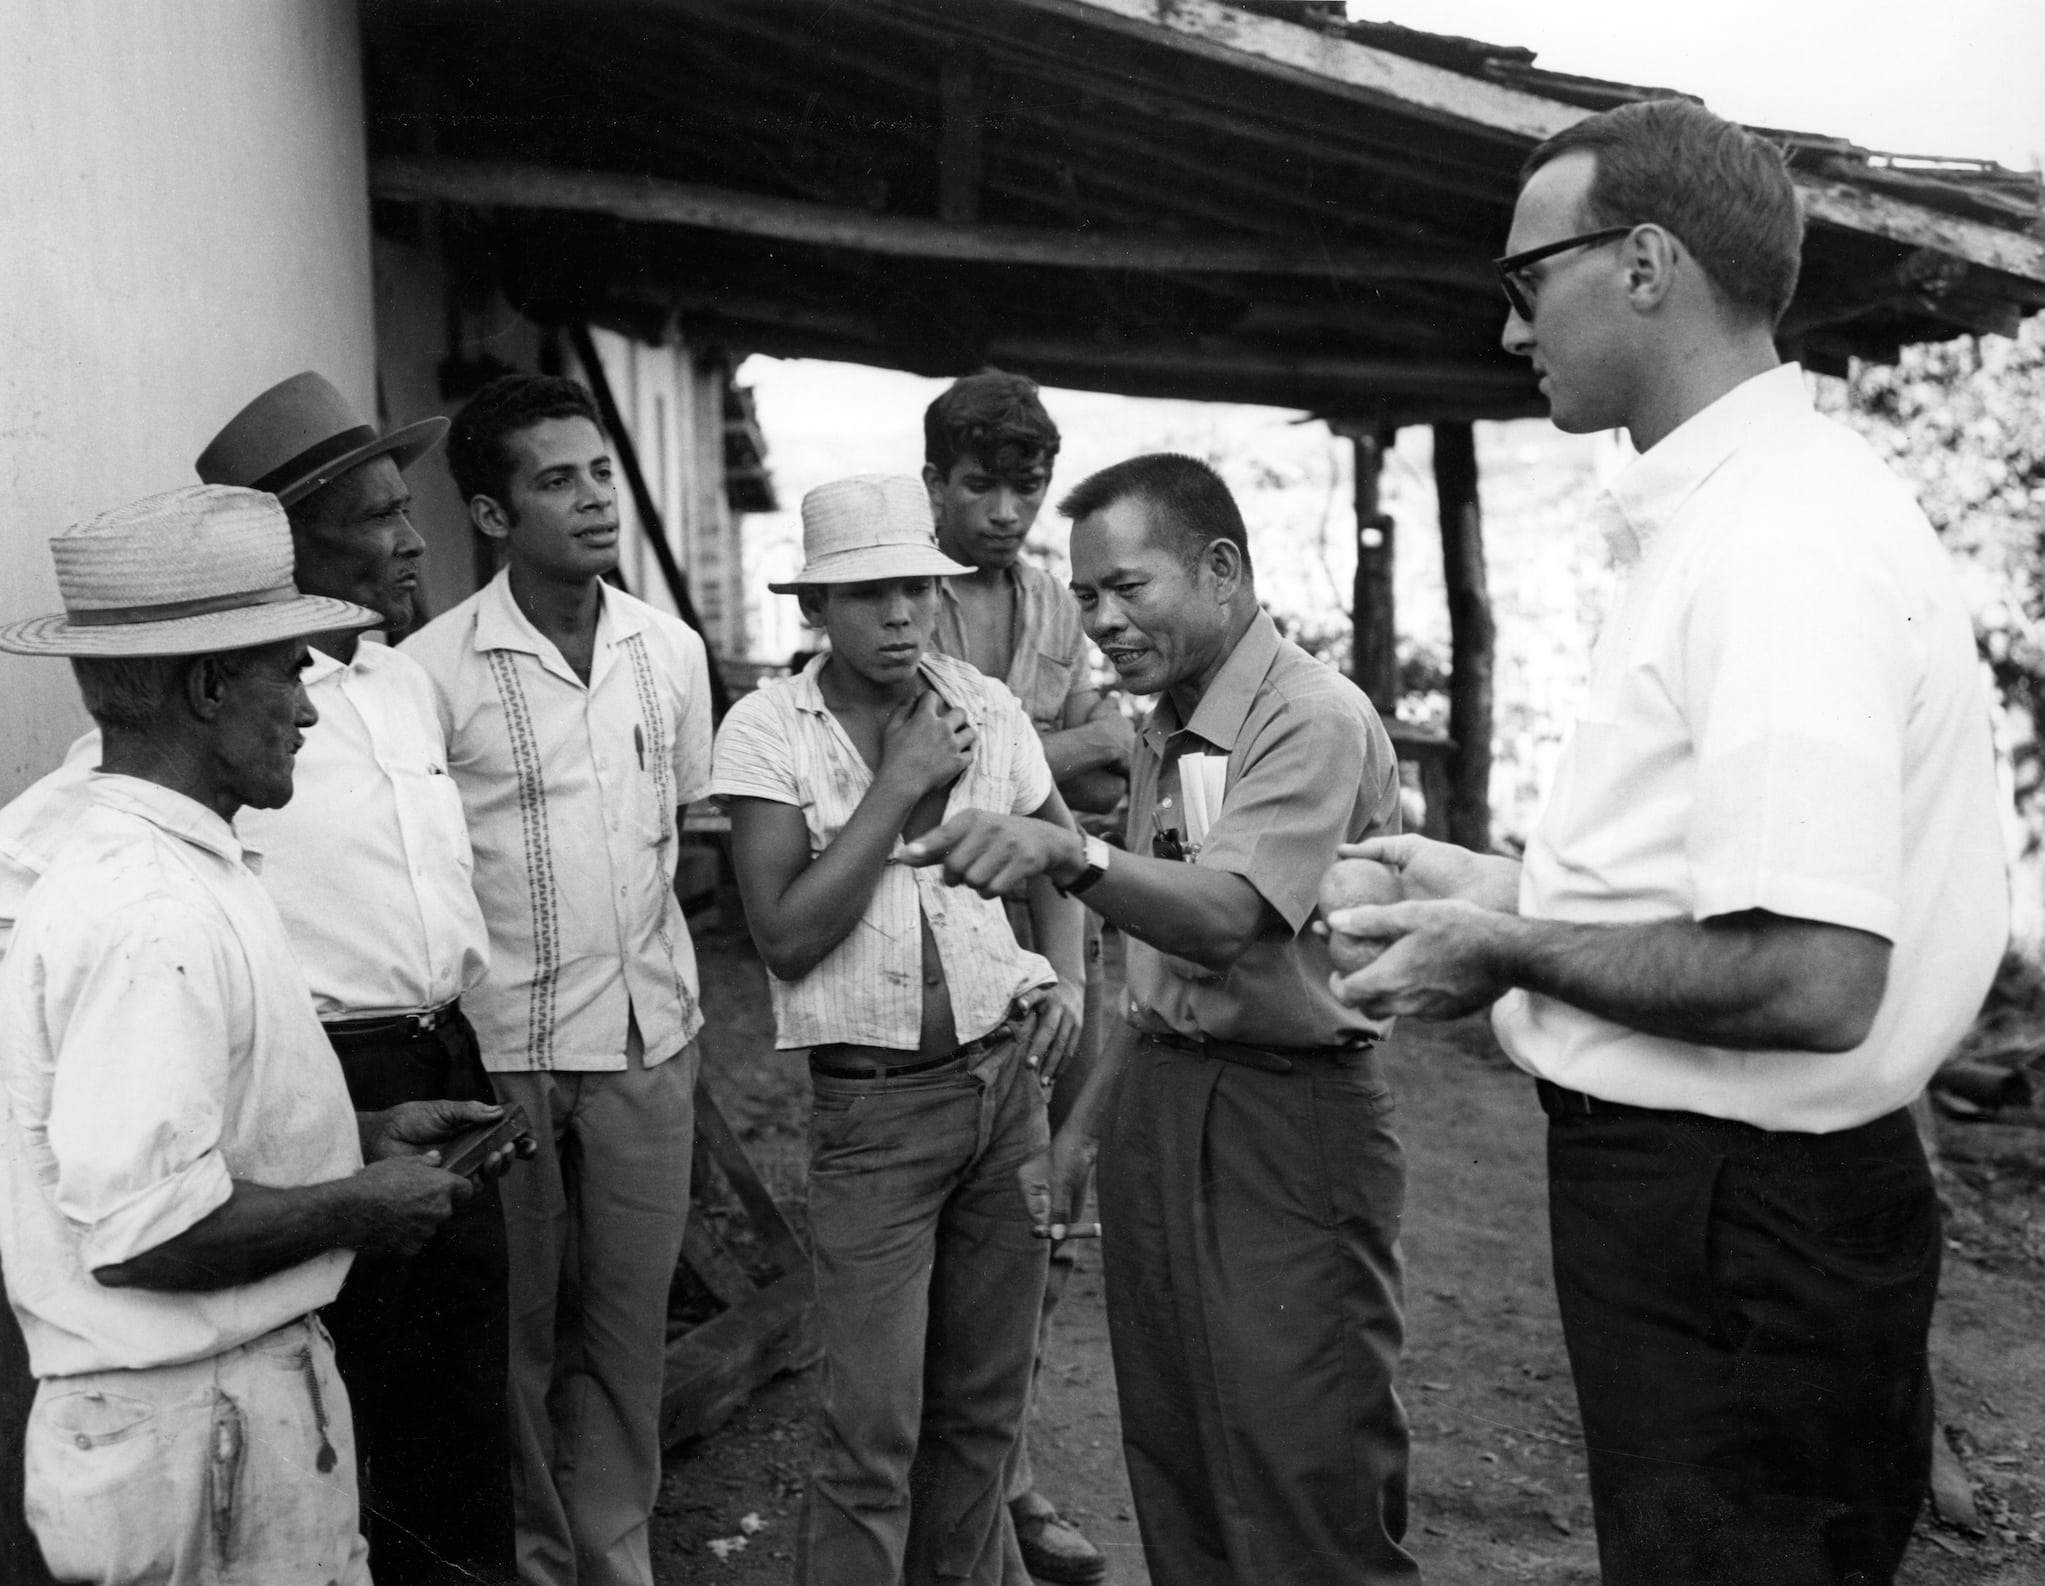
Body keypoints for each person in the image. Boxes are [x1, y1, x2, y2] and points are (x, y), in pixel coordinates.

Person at [1324, 99, 2008, 1586]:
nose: (1512, 334)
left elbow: (1813, 973)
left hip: (1736, 1213)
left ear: (1644, 263)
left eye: (1525, 282)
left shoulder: (1776, 546)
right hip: (1733, 1200)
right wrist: (1510, 887)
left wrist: (1502, 945)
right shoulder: (1746, 511)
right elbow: (1732, 885)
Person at [0, 373, 516, 1584]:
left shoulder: (194, 852)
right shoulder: (135, 900)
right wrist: (357, 1204)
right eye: (287, 671)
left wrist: (364, 1132)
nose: (310, 706)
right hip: (182, 1432)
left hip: (229, 1403)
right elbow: (142, 1232)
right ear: (203, 686)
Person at [905, 454, 1418, 1585]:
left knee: (1302, 1453)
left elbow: (1229, 916)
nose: (1101, 623)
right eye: (1085, 596)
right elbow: (1154, 973)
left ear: (1220, 569)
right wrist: (1083, 1135)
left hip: (1292, 1115)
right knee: (1178, 1446)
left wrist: (1067, 850)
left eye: (1127, 587)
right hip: (1168, 1097)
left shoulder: (1309, 717)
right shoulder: (1164, 726)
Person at [711, 474, 1085, 1586]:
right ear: (814, 608)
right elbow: (782, 935)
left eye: (916, 588)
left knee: (979, 1414)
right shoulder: (770, 727)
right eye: (867, 594)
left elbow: (1059, 857)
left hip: (1001, 1087)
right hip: (874, 1109)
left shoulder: (984, 703)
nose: (900, 617)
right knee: (869, 1433)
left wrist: (1063, 978)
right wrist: (899, 783)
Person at [402, 373, 714, 1586]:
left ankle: (614, 1551)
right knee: (514, 1335)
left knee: (626, 1328)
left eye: (599, 473)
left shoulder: (670, 650)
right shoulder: (432, 672)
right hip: (505, 1051)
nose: (593, 501)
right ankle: (536, 1563)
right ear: (490, 513)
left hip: (650, 1044)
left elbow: (690, 834)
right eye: (555, 480)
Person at [920, 370, 1125, 1585]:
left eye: (1026, 486)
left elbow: (1091, 788)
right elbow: (932, 776)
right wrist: (1083, 745)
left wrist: (1073, 757)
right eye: (981, 484)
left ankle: (1009, 1476)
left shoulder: (1051, 600)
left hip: (1055, 941)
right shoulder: (895, 595)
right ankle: (949, 1490)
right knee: (956, 1204)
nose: (1006, 510)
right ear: (935, 481)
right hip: (938, 943)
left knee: (1046, 1211)